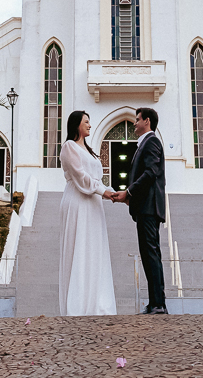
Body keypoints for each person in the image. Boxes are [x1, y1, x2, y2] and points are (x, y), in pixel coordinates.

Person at [59, 109, 117, 315]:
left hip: (94, 202)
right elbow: (81, 178)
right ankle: (79, 304)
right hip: (78, 201)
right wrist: (104, 192)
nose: (90, 125)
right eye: (86, 122)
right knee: (79, 248)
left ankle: (97, 302)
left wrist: (109, 192)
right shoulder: (69, 147)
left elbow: (95, 179)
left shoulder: (89, 151)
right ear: (76, 124)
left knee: (94, 249)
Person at [112, 107, 167, 314]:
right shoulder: (144, 144)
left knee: (151, 254)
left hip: (149, 208)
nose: (134, 123)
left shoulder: (151, 142)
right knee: (149, 255)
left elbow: (151, 172)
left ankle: (158, 304)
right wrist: (131, 197)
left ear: (147, 121)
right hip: (145, 206)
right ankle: (156, 302)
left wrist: (129, 192)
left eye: (137, 119)